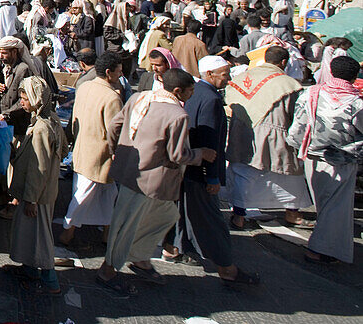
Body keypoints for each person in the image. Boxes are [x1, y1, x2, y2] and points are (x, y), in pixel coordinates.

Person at [96, 68, 215, 297]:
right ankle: (107, 270)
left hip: (134, 173)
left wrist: (116, 151)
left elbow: (114, 127)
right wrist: (202, 154)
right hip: (148, 180)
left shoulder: (139, 98)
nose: (192, 95)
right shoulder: (178, 116)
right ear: (178, 91)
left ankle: (139, 258)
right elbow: (178, 155)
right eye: (190, 91)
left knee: (165, 216)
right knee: (126, 225)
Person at [168, 55, 260, 284]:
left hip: (189, 167)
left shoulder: (197, 92)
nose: (228, 79)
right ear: (209, 74)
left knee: (186, 214)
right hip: (200, 169)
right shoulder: (210, 99)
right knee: (212, 221)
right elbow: (209, 140)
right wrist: (213, 176)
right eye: (225, 74)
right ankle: (227, 268)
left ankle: (176, 249)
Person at [287, 55, 363, 264]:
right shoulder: (354, 102)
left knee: (324, 203)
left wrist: (296, 146)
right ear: (354, 77)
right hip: (341, 160)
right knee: (335, 207)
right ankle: (319, 249)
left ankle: (326, 247)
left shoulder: (310, 93)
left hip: (312, 156)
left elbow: (298, 126)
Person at [225, 45, 309, 229]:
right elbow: (296, 114)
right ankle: (292, 214)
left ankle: (238, 216)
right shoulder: (288, 84)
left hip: (242, 133)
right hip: (273, 135)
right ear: (284, 62)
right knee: (289, 176)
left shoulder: (242, 77)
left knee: (243, 175)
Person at [8, 75, 67, 296]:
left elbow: (39, 167)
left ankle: (50, 278)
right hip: (41, 191)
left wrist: (31, 198)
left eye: (24, 98)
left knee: (40, 235)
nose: (21, 102)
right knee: (29, 232)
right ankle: (30, 268)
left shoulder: (42, 127)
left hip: (38, 194)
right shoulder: (48, 119)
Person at [60, 51, 124, 247]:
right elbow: (114, 131)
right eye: (119, 72)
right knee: (83, 197)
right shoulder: (112, 98)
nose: (121, 75)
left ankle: (107, 232)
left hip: (83, 148)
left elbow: (74, 120)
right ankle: (67, 233)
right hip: (100, 155)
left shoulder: (85, 87)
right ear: (108, 72)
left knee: (106, 196)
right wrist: (117, 153)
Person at [0, 36, 34, 136]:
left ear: (14, 52)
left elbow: (25, 99)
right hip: (5, 122)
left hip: (18, 124)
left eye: (4, 53)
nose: (1, 56)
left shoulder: (22, 70)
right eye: (0, 53)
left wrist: (6, 114)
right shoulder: (3, 68)